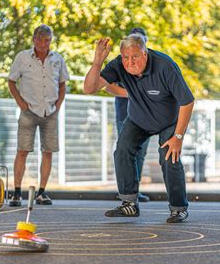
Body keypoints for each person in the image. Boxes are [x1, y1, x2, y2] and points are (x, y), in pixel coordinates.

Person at [84, 34, 195, 223]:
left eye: (134, 57)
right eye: (126, 57)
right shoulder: (118, 64)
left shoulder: (165, 66)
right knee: (122, 151)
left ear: (145, 54)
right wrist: (97, 62)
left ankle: (178, 208)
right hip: (138, 119)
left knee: (169, 157)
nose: (129, 62)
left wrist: (178, 136)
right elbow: (89, 88)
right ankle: (129, 204)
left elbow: (187, 102)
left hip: (169, 121)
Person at [8, 24, 69, 206]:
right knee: (22, 151)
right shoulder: (23, 57)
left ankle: (42, 192)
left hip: (50, 112)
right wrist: (20, 103)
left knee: (48, 151)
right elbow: (11, 81)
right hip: (28, 111)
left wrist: (57, 105)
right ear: (34, 39)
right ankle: (17, 193)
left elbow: (62, 84)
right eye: (41, 39)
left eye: (47, 40)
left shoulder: (57, 59)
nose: (44, 43)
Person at [114, 28, 150, 203]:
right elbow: (108, 86)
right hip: (125, 114)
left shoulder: (150, 64)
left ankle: (135, 190)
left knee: (140, 153)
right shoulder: (121, 63)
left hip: (146, 116)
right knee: (125, 151)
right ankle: (125, 191)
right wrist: (132, 93)